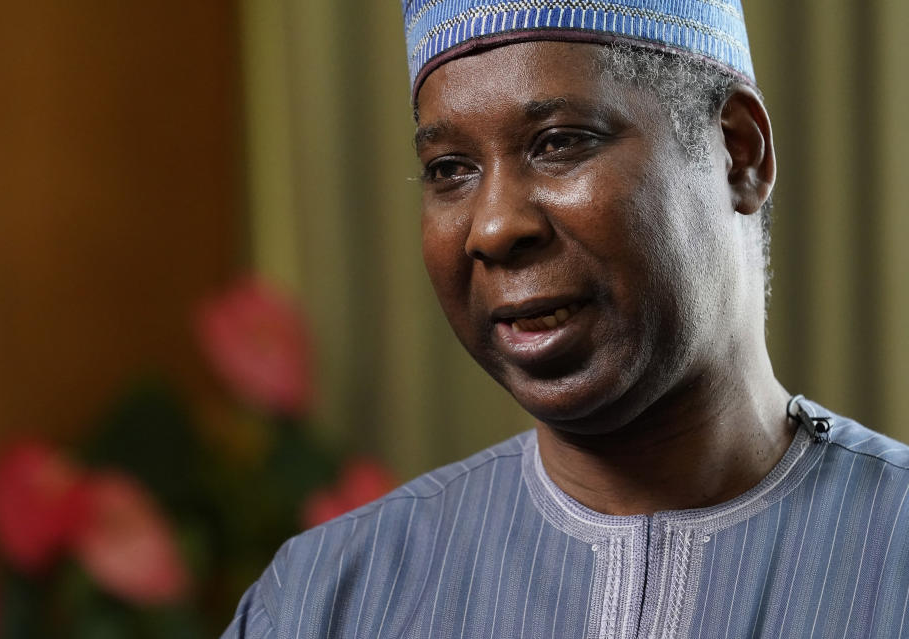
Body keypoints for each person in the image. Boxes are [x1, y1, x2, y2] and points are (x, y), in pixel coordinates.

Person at [222, 1, 909, 637]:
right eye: (450, 168)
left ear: (738, 151)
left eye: (558, 142)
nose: (492, 227)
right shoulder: (325, 600)